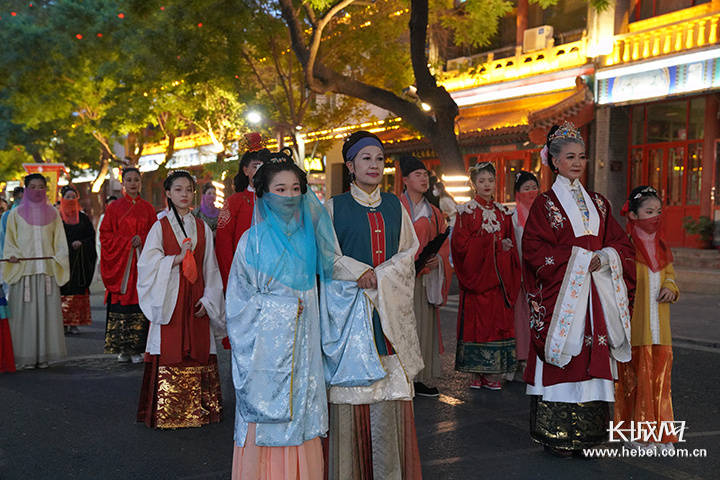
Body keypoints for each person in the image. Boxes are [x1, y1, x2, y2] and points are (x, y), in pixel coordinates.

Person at [227, 149, 348, 479]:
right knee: (268, 420)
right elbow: (237, 307)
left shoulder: (310, 239)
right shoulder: (250, 242)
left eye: (296, 189)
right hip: (265, 355)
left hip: (304, 348)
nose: (290, 196)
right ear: (263, 194)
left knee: (302, 412)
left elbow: (332, 284)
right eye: (280, 189)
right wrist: (280, 311)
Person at [522, 121, 635, 457]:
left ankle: (589, 432)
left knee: (592, 358)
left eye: (582, 157)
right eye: (570, 156)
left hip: (595, 296)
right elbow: (533, 250)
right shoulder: (545, 205)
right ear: (554, 161)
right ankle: (554, 431)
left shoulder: (599, 203)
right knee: (565, 356)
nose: (577, 162)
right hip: (564, 298)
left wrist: (606, 257)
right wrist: (577, 260)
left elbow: (620, 243)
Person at [325, 131, 423, 479]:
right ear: (350, 165)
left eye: (379, 159)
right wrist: (358, 273)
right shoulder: (334, 207)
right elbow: (325, 256)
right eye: (365, 158)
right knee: (353, 390)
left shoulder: (396, 206)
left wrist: (380, 275)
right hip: (350, 313)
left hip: (387, 314)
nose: (373, 165)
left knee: (390, 391)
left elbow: (409, 253)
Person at [136, 170, 225, 429]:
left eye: (188, 189)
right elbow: (147, 264)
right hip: (170, 297)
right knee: (170, 347)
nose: (184, 194)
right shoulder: (159, 226)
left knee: (197, 348)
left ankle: (199, 411)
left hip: (195, 295)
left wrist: (209, 300)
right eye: (178, 189)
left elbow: (211, 268)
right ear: (168, 194)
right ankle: (168, 411)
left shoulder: (202, 227)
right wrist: (175, 259)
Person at [614, 186, 678, 453]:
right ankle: (637, 434)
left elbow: (671, 276)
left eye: (658, 212)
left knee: (661, 383)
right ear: (633, 216)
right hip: (635, 329)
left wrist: (670, 288)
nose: (655, 217)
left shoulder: (662, 247)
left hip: (660, 330)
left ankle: (661, 433)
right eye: (649, 212)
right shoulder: (625, 248)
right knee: (635, 381)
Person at [452, 162, 520, 391]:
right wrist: (491, 244)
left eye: (490, 180)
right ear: (473, 184)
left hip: (498, 281)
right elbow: (460, 247)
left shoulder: (503, 213)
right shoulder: (466, 213)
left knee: (495, 325)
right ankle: (476, 373)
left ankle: (493, 374)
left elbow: (509, 243)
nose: (487, 185)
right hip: (477, 280)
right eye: (481, 181)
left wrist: (505, 248)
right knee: (477, 326)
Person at [2, 174, 69, 369]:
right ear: (26, 189)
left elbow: (60, 242)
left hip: (46, 271)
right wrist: (13, 255)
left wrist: (58, 257)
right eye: (33, 186)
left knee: (46, 315)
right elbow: (10, 241)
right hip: (24, 272)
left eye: (41, 186)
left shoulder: (53, 213)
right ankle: (26, 356)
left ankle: (44, 355)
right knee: (24, 316)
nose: (37, 190)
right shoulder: (15, 214)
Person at [398, 155, 451, 397]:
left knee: (423, 326)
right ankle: (401, 376)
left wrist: (438, 259)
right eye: (418, 174)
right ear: (405, 180)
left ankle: (419, 376)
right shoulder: (396, 207)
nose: (424, 178)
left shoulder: (434, 212)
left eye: (425, 174)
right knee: (402, 326)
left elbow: (444, 244)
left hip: (426, 276)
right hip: (401, 278)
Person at [100, 168, 156, 364]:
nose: (133, 183)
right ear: (123, 183)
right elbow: (105, 235)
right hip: (122, 268)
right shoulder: (113, 208)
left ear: (141, 183)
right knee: (121, 304)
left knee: (140, 305)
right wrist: (126, 242)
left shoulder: (148, 209)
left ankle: (138, 349)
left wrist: (142, 239)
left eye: (136, 180)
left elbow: (156, 235)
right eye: (129, 180)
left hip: (141, 265)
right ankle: (122, 349)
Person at [216, 133, 267, 289]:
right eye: (255, 166)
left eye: (263, 167)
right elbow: (223, 246)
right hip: (242, 275)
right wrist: (232, 281)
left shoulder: (275, 199)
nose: (259, 171)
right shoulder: (233, 202)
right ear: (245, 170)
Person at [510, 171, 540, 381]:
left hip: (541, 276)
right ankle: (521, 358)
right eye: (526, 188)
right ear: (518, 193)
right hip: (520, 276)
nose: (531, 192)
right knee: (520, 319)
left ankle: (538, 358)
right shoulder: (513, 216)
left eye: (533, 187)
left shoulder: (544, 213)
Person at [58, 186, 97, 335]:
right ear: (62, 198)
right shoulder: (57, 218)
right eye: (67, 196)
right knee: (63, 291)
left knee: (77, 291)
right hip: (63, 262)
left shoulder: (83, 218)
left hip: (80, 262)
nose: (70, 199)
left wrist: (82, 243)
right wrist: (67, 246)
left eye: (73, 196)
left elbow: (91, 237)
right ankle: (63, 323)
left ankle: (75, 322)